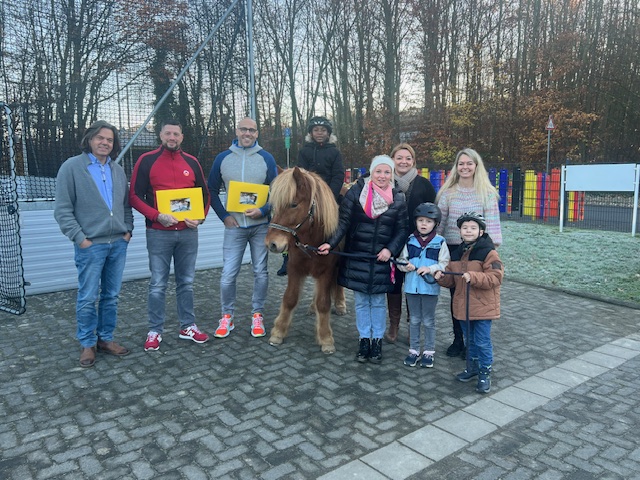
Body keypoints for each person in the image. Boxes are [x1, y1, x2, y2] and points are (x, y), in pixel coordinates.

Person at [54, 120, 133, 367]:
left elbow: (126, 206)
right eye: (100, 138)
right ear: (90, 139)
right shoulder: (72, 167)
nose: (105, 143)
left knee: (111, 296)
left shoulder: (117, 170)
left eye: (109, 140)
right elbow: (63, 210)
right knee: (88, 297)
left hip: (117, 244)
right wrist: (81, 239)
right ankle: (87, 343)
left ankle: (105, 340)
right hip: (91, 245)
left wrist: (127, 231)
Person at [129, 119, 211, 351]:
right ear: (161, 136)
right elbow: (134, 196)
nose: (172, 138)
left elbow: (205, 196)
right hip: (158, 233)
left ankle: (188, 326)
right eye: (168, 133)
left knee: (186, 282)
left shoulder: (192, 162)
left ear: (182, 137)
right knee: (157, 284)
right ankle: (155, 330)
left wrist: (201, 218)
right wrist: (156, 216)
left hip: (187, 233)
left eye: (176, 134)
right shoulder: (147, 161)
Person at [318, 155, 407, 364]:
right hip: (358, 255)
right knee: (361, 302)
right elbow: (344, 222)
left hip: (382, 258)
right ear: (371, 172)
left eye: (387, 172)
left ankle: (377, 342)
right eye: (378, 171)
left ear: (391, 174)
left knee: (377, 302)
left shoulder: (398, 197)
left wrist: (390, 250)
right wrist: (331, 244)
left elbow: (402, 229)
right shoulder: (356, 192)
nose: (382, 176)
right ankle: (364, 339)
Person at [208, 117, 278, 339]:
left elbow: (277, 193)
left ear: (257, 133)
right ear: (236, 131)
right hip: (235, 227)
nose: (247, 133)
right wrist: (224, 216)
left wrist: (264, 211)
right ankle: (226, 316)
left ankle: (257, 314)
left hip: (260, 227)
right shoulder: (223, 158)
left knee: (260, 272)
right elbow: (211, 189)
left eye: (252, 130)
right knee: (228, 274)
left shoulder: (266, 158)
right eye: (243, 129)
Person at [436, 148, 502, 358]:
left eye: (469, 163)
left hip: (478, 252)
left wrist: (490, 252)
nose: (465, 167)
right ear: (456, 167)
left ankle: (474, 344)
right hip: (454, 250)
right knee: (457, 297)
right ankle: (458, 339)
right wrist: (435, 246)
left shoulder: (487, 193)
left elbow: (492, 224)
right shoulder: (448, 193)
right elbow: (440, 223)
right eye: (461, 164)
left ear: (476, 166)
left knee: (474, 298)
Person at [435, 212, 503, 393]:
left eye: (473, 228)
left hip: (482, 307)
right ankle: (472, 368)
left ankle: (484, 373)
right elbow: (451, 279)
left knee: (482, 341)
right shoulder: (457, 253)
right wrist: (441, 277)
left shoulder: (489, 252)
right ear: (460, 232)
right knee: (470, 340)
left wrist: (473, 276)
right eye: (465, 228)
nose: (468, 231)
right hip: (463, 307)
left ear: (481, 232)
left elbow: (496, 277)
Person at [277, 116, 345, 276]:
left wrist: (330, 195)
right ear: (311, 133)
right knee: (290, 218)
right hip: (308, 194)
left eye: (323, 130)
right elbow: (301, 174)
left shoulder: (334, 152)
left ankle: (338, 250)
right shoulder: (304, 151)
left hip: (328, 194)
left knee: (343, 218)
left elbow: (338, 174)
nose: (319, 133)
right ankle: (288, 255)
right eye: (316, 130)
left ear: (328, 133)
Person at [385, 143, 437, 343]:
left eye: (408, 158)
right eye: (399, 158)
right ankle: (394, 324)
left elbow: (434, 213)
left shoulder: (424, 184)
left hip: (418, 244)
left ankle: (412, 325)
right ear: (393, 160)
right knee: (394, 284)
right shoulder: (385, 183)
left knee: (414, 285)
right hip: (393, 242)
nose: (403, 161)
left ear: (413, 161)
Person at [397, 203, 449, 368]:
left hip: (430, 289)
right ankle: (414, 350)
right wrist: (406, 265)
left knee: (428, 320)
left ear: (436, 223)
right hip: (411, 287)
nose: (424, 224)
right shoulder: (410, 240)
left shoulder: (440, 242)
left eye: (428, 221)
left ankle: (429, 351)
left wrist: (431, 269)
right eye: (420, 220)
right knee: (413, 319)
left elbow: (445, 263)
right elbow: (400, 260)